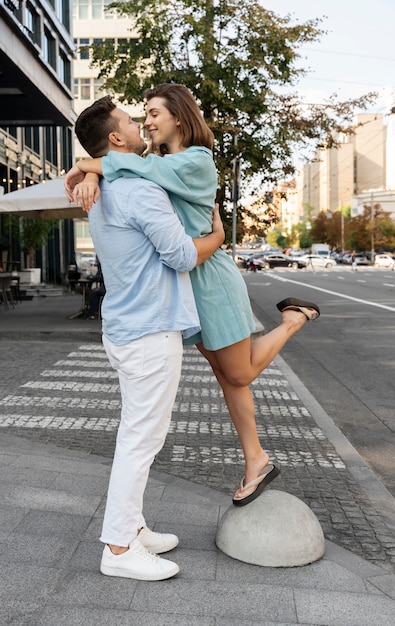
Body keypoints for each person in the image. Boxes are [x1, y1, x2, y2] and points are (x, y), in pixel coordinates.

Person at [65, 83, 320, 507]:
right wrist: (91, 171)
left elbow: (133, 169)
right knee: (226, 378)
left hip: (209, 278)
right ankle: (255, 460)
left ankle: (294, 319)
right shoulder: (155, 160)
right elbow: (126, 166)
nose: (145, 122)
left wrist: (84, 164)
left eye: (152, 114)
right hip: (183, 285)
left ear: (179, 117)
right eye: (141, 116)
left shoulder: (197, 162)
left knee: (239, 374)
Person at [72, 96, 224, 581]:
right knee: (140, 440)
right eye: (132, 123)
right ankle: (118, 548)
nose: (141, 127)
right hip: (150, 330)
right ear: (116, 140)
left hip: (126, 326)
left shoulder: (110, 186)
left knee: (138, 435)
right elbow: (181, 255)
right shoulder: (139, 190)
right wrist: (217, 237)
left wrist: (91, 169)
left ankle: (133, 529)